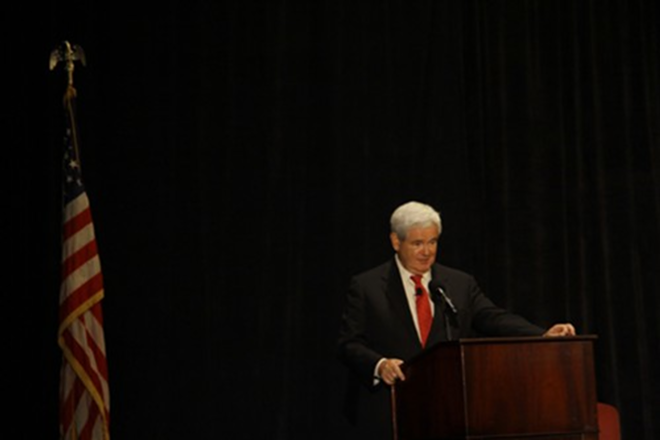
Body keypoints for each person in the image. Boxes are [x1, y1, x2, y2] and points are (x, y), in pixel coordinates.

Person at [337, 201, 575, 438]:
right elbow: (350, 343)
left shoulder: (458, 284)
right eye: (417, 243)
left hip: (446, 411)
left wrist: (540, 334)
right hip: (389, 411)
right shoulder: (367, 286)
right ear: (396, 242)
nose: (427, 251)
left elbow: (492, 318)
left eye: (432, 242)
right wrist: (380, 365)